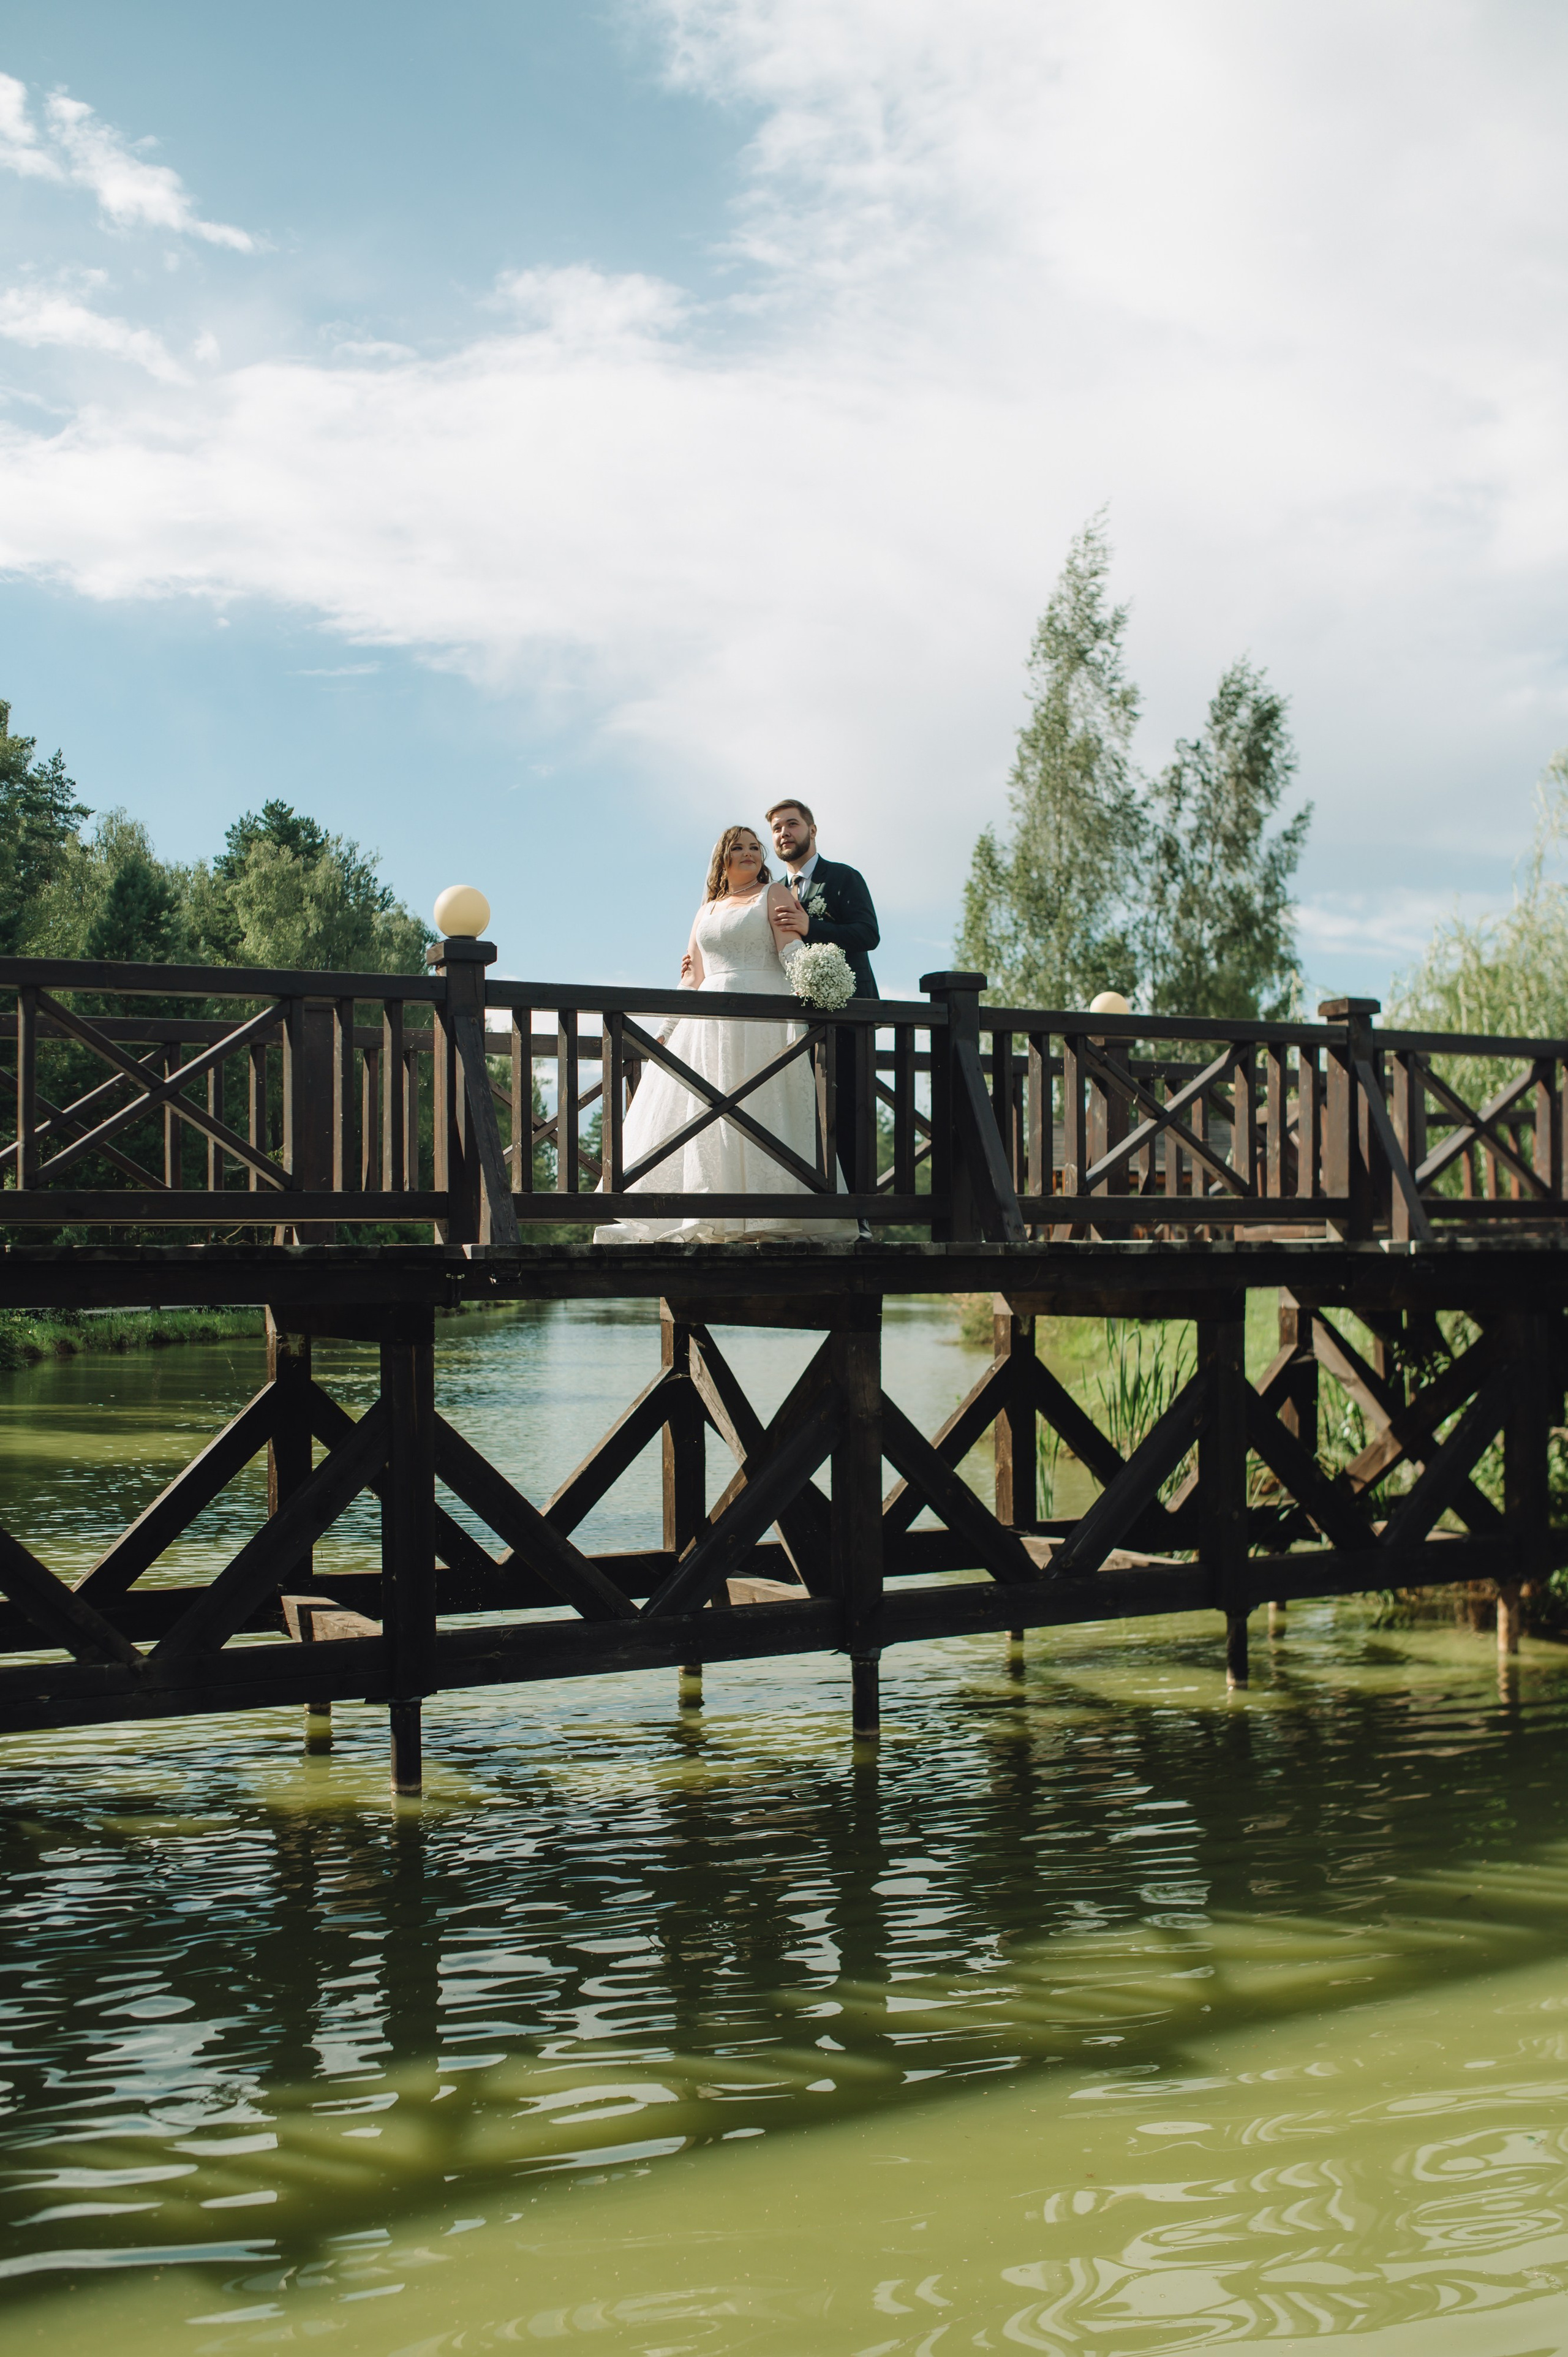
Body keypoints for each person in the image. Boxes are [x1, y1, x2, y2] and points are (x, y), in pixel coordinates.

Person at [592, 824, 857, 1244]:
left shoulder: (775, 895)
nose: (750, 853)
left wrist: (821, 985)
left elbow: (791, 952)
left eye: (756, 847)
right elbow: (692, 978)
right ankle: (710, 1213)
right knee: (707, 1112)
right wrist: (664, 1033)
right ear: (722, 858)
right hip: (707, 1026)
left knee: (762, 1106)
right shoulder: (707, 911)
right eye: (739, 847)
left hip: (762, 1020)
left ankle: (774, 1216)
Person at [764, 799, 880, 1199]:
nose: (784, 833)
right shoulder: (773, 892)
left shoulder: (844, 879)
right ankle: (814, 1210)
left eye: (792, 824)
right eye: (777, 828)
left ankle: (860, 1214)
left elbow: (868, 935)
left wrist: (812, 925)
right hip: (798, 1022)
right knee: (802, 1118)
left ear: (812, 830)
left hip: (850, 1015)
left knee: (850, 1116)